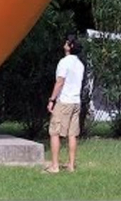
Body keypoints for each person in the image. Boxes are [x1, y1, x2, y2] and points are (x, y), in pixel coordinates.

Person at [44, 34, 85, 174]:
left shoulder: (64, 62)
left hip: (65, 101)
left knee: (54, 132)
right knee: (72, 134)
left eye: (67, 42)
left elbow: (60, 82)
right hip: (76, 102)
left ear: (70, 46)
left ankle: (54, 166)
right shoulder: (80, 64)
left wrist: (52, 99)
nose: (64, 44)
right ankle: (71, 165)